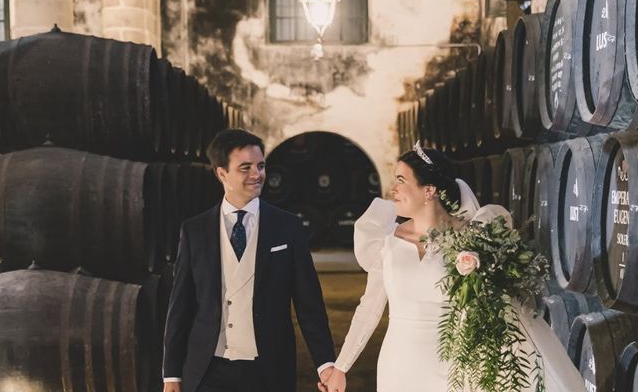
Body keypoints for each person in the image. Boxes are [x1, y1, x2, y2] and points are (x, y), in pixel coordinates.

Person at [320, 143, 584, 392]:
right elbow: (369, 307)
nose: (393, 189)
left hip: (457, 365)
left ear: (429, 190)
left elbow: (498, 309)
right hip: (398, 363)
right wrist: (341, 367)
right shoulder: (386, 242)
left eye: (401, 180)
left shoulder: (475, 238)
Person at [163, 128, 336, 392]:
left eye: (261, 165)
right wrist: (172, 374)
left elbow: (309, 304)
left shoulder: (287, 227)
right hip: (208, 370)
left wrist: (325, 364)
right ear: (222, 174)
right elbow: (180, 307)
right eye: (245, 168)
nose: (257, 175)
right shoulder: (194, 230)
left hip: (268, 370)